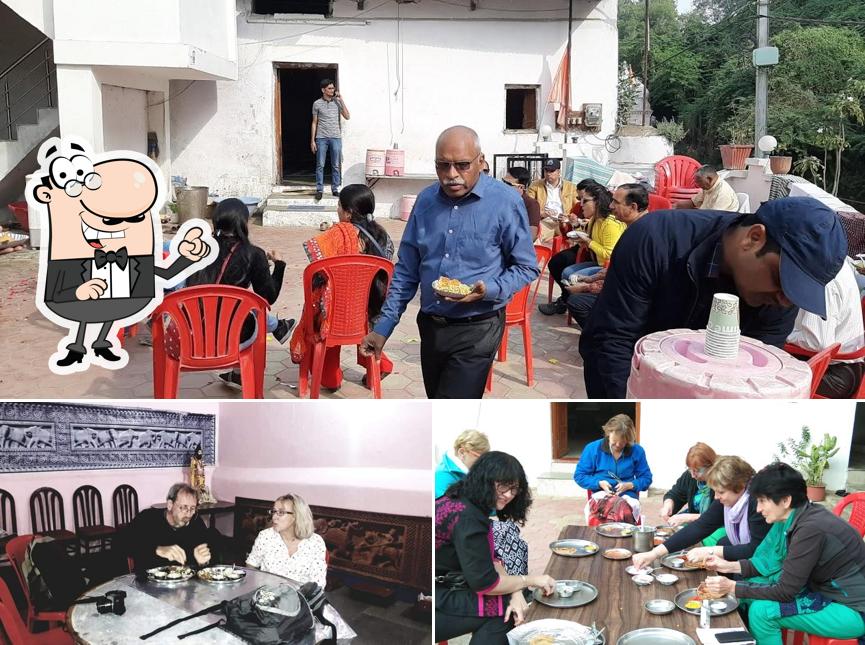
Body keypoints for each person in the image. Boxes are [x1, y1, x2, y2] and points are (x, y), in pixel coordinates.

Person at [579, 197, 849, 398]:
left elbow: (753, 384)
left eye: (797, 292)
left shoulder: (778, 296)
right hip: (629, 377)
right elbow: (613, 342)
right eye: (783, 282)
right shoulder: (658, 239)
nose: (785, 302)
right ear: (754, 238)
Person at [359, 125, 539, 399]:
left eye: (462, 165)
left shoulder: (505, 202)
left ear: (481, 161)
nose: (451, 175)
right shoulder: (426, 201)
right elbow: (407, 270)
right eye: (443, 166)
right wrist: (383, 327)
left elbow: (526, 267)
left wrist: (488, 289)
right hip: (431, 325)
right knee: (437, 402)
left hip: (479, 326)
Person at [703, 463, 865, 645]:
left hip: (851, 609)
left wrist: (731, 586)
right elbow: (767, 561)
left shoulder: (810, 529)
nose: (758, 509)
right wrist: (728, 566)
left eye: (763, 501)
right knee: (748, 588)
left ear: (786, 500)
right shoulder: (790, 517)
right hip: (822, 591)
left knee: (762, 612)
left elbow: (786, 591)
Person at [435, 451, 556, 644]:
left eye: (514, 489)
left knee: (512, 602)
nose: (508, 495)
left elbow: (491, 559)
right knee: (503, 614)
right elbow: (486, 583)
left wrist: (515, 591)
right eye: (502, 487)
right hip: (435, 597)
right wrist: (530, 580)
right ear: (485, 480)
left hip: (451, 584)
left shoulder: (466, 501)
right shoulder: (468, 517)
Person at [289, 184, 394, 392]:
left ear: (348, 212)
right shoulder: (382, 235)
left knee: (321, 308)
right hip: (369, 312)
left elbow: (316, 267)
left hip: (335, 314)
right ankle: (381, 365)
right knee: (353, 308)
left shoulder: (335, 234)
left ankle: (331, 378)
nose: (337, 210)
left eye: (339, 206)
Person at [183, 198, 294, 389]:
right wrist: (279, 265)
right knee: (248, 313)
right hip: (234, 336)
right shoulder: (253, 254)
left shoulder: (196, 249)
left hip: (191, 333)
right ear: (243, 223)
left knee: (235, 311)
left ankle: (236, 375)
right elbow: (268, 298)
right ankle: (244, 367)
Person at [632, 456, 769, 571]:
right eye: (714, 491)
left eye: (720, 492)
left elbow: (755, 549)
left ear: (740, 487)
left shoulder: (758, 504)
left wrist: (710, 551)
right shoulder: (727, 500)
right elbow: (699, 527)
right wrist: (653, 554)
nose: (716, 497)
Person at [564, 183, 650, 328]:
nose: (611, 206)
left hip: (634, 300)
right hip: (618, 284)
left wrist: (587, 287)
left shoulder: (640, 235)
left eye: (616, 202)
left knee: (577, 300)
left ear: (633, 207)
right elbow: (615, 269)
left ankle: (604, 335)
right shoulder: (631, 228)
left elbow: (621, 278)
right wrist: (590, 279)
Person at [787, 260, 865, 398]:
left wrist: (785, 333)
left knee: (765, 378)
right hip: (840, 365)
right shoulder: (837, 260)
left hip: (834, 373)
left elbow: (816, 342)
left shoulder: (821, 277)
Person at [537, 178, 603, 315]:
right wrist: (568, 223)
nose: (581, 203)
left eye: (584, 199)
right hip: (584, 246)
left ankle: (569, 300)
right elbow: (569, 233)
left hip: (594, 252)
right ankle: (567, 299)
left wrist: (586, 237)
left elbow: (608, 250)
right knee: (556, 262)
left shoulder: (607, 219)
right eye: (579, 198)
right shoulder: (579, 207)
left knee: (568, 270)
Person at [573, 414, 653, 521]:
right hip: (600, 494)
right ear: (608, 433)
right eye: (614, 441)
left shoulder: (637, 451)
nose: (619, 445)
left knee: (622, 513)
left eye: (624, 442)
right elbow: (579, 476)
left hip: (627, 496)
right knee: (603, 514)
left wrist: (630, 485)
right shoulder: (592, 449)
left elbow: (646, 478)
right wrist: (599, 483)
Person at [128, 483, 219, 573]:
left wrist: (203, 562)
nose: (188, 514)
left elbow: (211, 559)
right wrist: (157, 549)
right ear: (170, 505)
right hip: (148, 582)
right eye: (183, 507)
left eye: (192, 508)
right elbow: (122, 545)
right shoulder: (148, 518)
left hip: (185, 584)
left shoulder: (196, 522)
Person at [246, 493, 327, 588]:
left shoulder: (315, 542)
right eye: (274, 511)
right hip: (268, 597)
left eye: (281, 512)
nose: (274, 517)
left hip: (300, 598)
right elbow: (251, 564)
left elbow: (318, 584)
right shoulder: (265, 536)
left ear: (296, 516)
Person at [659, 442, 724, 543]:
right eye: (690, 469)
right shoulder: (690, 476)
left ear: (710, 466)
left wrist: (689, 517)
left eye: (697, 471)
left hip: (720, 525)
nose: (693, 475)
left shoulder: (720, 479)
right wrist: (668, 504)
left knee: (705, 540)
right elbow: (676, 493)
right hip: (697, 520)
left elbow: (719, 516)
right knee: (673, 533)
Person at [311, 78, 350, 201]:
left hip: (336, 137)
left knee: (336, 164)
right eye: (329, 88)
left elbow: (347, 116)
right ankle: (319, 189)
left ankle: (335, 188)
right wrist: (312, 140)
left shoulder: (337, 102)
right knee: (320, 164)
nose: (332, 90)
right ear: (323, 90)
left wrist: (341, 100)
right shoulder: (317, 103)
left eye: (333, 88)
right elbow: (314, 122)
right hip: (321, 137)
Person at [527, 158, 578, 243]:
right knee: (533, 237)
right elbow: (529, 206)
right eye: (546, 171)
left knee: (576, 240)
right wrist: (542, 213)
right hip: (545, 221)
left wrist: (569, 217)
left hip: (565, 222)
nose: (548, 174)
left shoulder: (571, 187)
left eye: (551, 171)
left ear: (558, 172)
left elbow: (578, 206)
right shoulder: (535, 185)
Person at [435, 429, 490, 498]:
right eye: (479, 457)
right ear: (462, 452)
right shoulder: (442, 475)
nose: (482, 463)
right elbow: (445, 507)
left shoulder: (471, 473)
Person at [673, 165, 739, 212]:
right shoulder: (707, 187)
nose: (697, 185)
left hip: (719, 223)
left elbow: (713, 217)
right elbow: (693, 203)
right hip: (705, 216)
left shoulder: (722, 192)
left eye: (699, 182)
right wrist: (675, 206)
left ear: (709, 179)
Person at [503, 166, 541, 241]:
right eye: (503, 181)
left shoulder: (531, 204)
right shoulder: (501, 200)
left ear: (521, 187)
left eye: (508, 184)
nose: (503, 185)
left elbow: (531, 236)